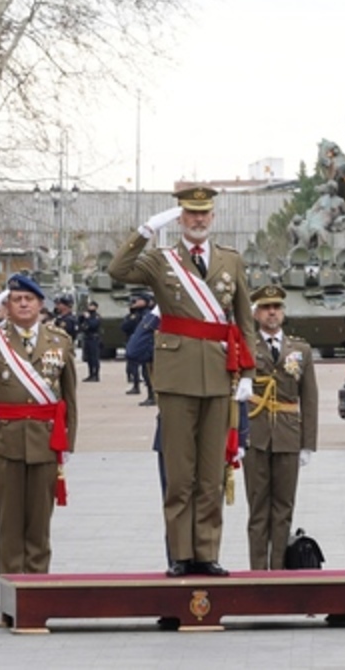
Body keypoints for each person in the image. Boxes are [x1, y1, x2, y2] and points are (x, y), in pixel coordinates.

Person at [108, 185, 256, 578]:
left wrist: (249, 374)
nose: (199, 220)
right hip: (176, 378)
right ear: (180, 218)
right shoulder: (162, 261)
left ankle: (206, 552)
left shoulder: (230, 261)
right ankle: (180, 554)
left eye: (205, 213)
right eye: (191, 214)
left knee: (210, 474)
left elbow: (244, 321)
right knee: (179, 474)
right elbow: (118, 271)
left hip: (220, 376)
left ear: (213, 216)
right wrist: (145, 231)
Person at [0, 274, 78, 574]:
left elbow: (69, 397)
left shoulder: (60, 340)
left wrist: (68, 443)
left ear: (39, 303)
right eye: (15, 299)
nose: (23, 304)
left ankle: (38, 591)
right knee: (9, 524)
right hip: (5, 442)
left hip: (46, 441)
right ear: (6, 305)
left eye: (29, 299)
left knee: (39, 524)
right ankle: (13, 596)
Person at [243, 285, 318, 570]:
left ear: (283, 312)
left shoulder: (300, 349)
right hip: (256, 435)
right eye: (265, 307)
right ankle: (257, 573)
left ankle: (279, 572)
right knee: (258, 510)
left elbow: (309, 398)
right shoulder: (247, 346)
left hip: (288, 435)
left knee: (284, 509)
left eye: (276, 307)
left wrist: (308, 443)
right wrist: (236, 436)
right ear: (255, 313)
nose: (272, 312)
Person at [122, 293, 153, 398]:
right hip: (135, 343)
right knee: (133, 368)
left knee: (147, 372)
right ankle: (136, 386)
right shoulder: (134, 314)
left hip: (145, 346)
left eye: (139, 300)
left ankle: (152, 396)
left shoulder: (147, 314)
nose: (136, 302)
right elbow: (124, 327)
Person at [78, 301, 102, 382]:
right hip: (87, 337)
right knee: (88, 358)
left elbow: (93, 325)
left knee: (94, 357)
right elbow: (79, 323)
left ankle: (96, 375)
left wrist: (88, 318)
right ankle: (90, 374)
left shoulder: (96, 316)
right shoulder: (86, 315)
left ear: (95, 307)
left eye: (92, 306)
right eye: (89, 305)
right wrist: (82, 317)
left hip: (94, 339)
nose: (89, 307)